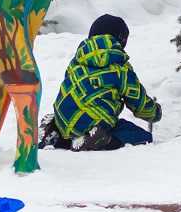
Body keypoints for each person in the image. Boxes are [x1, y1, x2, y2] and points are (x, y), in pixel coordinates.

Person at [40, 14, 162, 151]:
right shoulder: (120, 68)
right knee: (140, 136)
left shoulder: (77, 61)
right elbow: (139, 104)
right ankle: (97, 138)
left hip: (63, 117)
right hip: (96, 121)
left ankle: (57, 134)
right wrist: (154, 112)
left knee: (76, 116)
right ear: (121, 40)